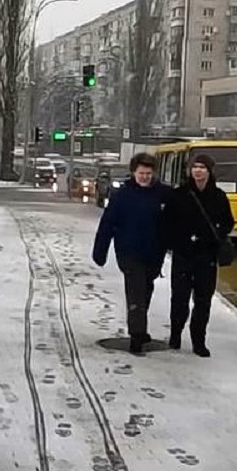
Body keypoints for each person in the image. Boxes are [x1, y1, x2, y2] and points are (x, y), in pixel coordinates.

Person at [91, 152, 169, 355]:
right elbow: (107, 224)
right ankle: (137, 335)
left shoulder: (163, 194)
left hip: (153, 253)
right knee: (135, 291)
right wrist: (100, 251)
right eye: (141, 173)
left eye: (148, 173)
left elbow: (175, 220)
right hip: (129, 252)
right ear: (134, 172)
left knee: (145, 290)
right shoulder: (122, 196)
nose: (145, 177)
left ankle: (138, 327)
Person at [160, 153, 234, 357]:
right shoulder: (179, 194)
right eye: (195, 167)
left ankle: (198, 341)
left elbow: (228, 222)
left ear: (209, 171)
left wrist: (215, 235)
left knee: (203, 301)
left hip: (206, 257)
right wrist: (179, 241)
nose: (198, 171)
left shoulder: (218, 196)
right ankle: (175, 336)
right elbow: (167, 223)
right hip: (183, 256)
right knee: (180, 300)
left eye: (202, 167)